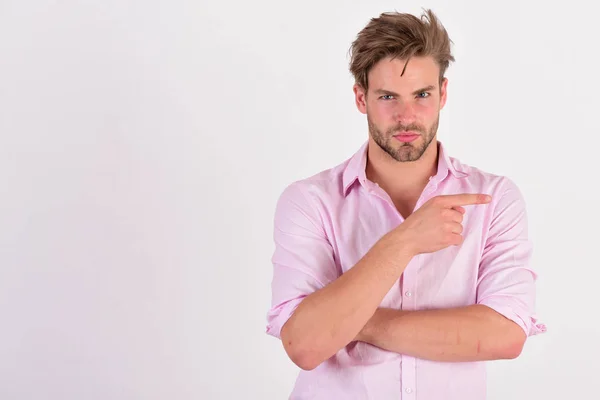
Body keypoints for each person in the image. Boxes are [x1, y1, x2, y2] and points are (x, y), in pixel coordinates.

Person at [265, 8, 545, 400]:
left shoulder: (494, 199)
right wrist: (404, 242)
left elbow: (505, 335)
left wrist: (352, 322)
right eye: (387, 97)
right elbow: (306, 346)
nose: (407, 116)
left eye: (422, 95)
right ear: (361, 98)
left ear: (443, 94)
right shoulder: (310, 202)